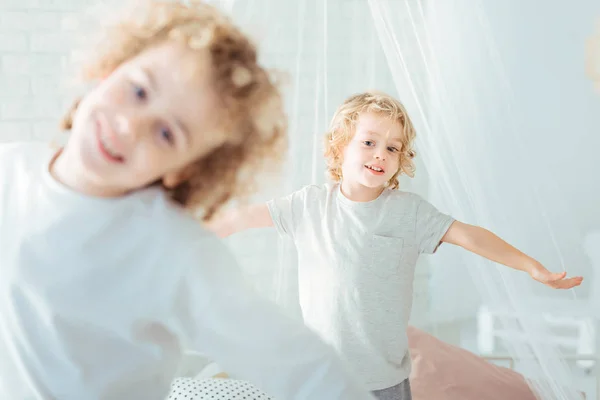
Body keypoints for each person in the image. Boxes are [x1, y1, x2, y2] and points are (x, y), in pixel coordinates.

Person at [0, 1, 377, 399]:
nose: (130, 126)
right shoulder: (9, 167)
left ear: (182, 170)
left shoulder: (172, 251)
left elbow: (304, 368)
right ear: (110, 68)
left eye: (166, 134)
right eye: (139, 90)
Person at [206, 91, 584, 400]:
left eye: (393, 148)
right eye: (369, 142)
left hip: (383, 381)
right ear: (339, 149)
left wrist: (531, 266)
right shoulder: (308, 206)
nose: (380, 155)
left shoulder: (409, 213)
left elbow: (470, 235)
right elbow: (241, 217)